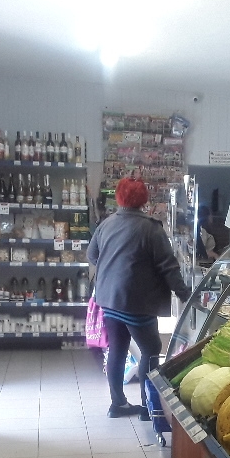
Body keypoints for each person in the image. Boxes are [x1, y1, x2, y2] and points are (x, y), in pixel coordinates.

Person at [88, 177, 190, 419]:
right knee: (151, 349)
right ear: (143, 199)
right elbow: (168, 267)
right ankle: (148, 407)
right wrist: (185, 293)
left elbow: (92, 255)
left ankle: (118, 404)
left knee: (117, 348)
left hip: (109, 299)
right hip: (137, 301)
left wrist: (114, 267)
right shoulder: (150, 228)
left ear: (119, 197)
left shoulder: (106, 224)